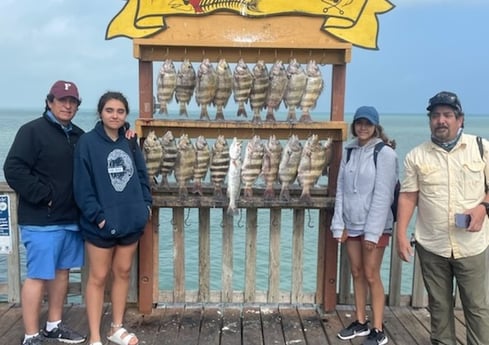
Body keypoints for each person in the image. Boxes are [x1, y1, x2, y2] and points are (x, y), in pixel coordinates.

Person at [396, 91, 489, 345]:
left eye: (448, 115)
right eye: (436, 115)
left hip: (472, 246)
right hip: (432, 245)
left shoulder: (481, 148)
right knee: (439, 308)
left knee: (477, 308)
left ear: (460, 120)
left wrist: (483, 208)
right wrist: (401, 234)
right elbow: (408, 197)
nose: (441, 120)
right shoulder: (416, 156)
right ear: (430, 121)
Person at [3, 80, 87, 345]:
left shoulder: (79, 136)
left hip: (70, 220)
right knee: (38, 275)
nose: (67, 105)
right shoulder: (32, 131)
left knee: (62, 272)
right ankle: (30, 334)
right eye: (61, 100)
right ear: (49, 102)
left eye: (72, 101)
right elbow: (14, 168)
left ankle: (53, 325)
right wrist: (44, 196)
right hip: (41, 221)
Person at [73, 91, 152, 345]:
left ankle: (116, 328)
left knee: (123, 272)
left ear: (126, 115)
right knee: (97, 277)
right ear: (100, 113)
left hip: (131, 221)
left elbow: (141, 175)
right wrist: (98, 217)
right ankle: (95, 336)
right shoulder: (86, 142)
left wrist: (145, 207)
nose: (115, 115)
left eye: (120, 111)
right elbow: (82, 186)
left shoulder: (129, 141)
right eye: (109, 110)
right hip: (101, 225)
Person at [331, 106, 398, 345]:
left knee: (371, 274)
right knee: (356, 272)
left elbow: (384, 195)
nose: (363, 127)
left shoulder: (385, 153)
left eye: (368, 123)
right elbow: (341, 189)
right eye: (359, 122)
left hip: (376, 227)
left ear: (376, 127)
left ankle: (378, 329)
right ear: (354, 125)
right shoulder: (348, 151)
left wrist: (373, 233)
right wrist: (339, 224)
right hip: (352, 224)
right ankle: (360, 321)